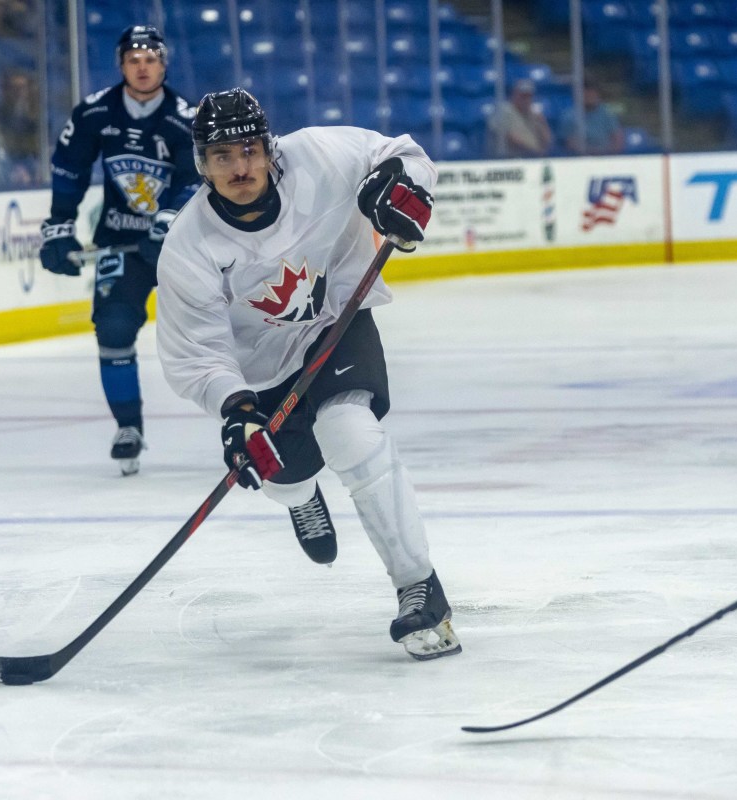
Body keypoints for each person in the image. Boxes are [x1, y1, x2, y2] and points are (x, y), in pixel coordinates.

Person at [154, 88, 461, 662]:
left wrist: (400, 186)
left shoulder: (317, 156)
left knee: (349, 429)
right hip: (261, 370)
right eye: (222, 157)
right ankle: (300, 497)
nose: (240, 167)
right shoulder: (189, 245)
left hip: (336, 323)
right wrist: (237, 412)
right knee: (282, 477)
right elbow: (196, 352)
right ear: (202, 166)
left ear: (270, 149)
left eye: (248, 150)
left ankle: (419, 588)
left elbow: (404, 153)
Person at [38, 25, 200, 475]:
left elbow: (198, 177)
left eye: (150, 58)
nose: (142, 66)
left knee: (224, 330)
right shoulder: (94, 113)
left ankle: (250, 419)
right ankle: (128, 427)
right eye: (134, 59)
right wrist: (59, 225)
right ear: (121, 65)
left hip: (183, 247)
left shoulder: (187, 117)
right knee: (111, 328)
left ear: (163, 64)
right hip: (122, 242)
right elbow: (68, 168)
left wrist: (168, 220)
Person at [487, 79, 553, 158]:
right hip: (508, 159)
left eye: (529, 96)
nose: (526, 100)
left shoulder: (533, 114)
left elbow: (548, 141)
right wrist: (535, 151)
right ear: (514, 95)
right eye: (523, 96)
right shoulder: (503, 111)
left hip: (532, 157)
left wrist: (542, 123)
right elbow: (510, 139)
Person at [558, 81, 625, 156]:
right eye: (587, 93)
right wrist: (591, 153)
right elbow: (570, 143)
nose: (590, 96)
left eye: (593, 93)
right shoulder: (569, 115)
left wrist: (608, 154)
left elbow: (618, 138)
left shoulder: (607, 112)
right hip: (580, 159)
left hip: (607, 158)